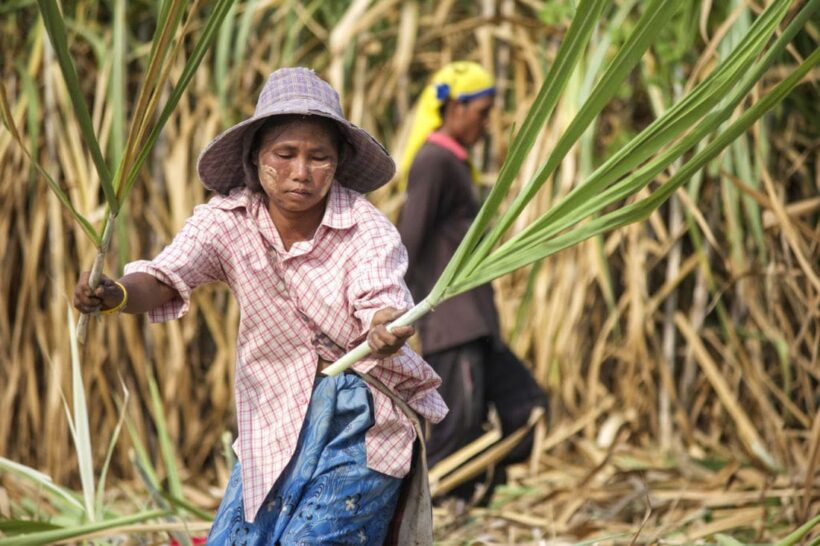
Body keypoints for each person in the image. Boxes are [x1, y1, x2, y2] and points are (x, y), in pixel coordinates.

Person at [74, 67, 447, 545]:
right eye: (285, 154)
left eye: (319, 158)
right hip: (271, 417)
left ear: (337, 164)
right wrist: (115, 294)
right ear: (256, 157)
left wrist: (384, 327)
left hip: (360, 416)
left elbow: (382, 300)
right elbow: (166, 277)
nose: (301, 172)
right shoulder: (226, 222)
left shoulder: (365, 228)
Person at [397, 61, 548, 502]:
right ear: (455, 108)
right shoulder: (434, 160)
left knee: (526, 406)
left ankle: (472, 492)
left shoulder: (453, 163)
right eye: (481, 112)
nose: (486, 122)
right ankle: (430, 507)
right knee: (455, 428)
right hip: (452, 323)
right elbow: (407, 242)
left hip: (476, 321)